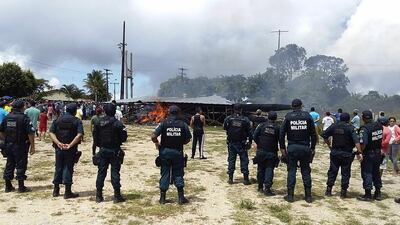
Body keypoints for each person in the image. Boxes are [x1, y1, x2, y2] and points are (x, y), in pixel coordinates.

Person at [151, 105, 192, 204]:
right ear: (178, 113)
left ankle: (162, 198)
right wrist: (181, 143)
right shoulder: (183, 125)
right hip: (177, 152)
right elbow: (188, 139)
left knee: (165, 173)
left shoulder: (163, 123)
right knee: (178, 173)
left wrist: (157, 143)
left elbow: (153, 136)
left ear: (169, 113)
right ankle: (181, 197)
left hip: (165, 152)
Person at [279, 99, 317, 203]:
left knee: (291, 171)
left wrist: (283, 149)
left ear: (292, 106)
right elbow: (314, 134)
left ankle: (290, 196)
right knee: (305, 171)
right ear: (301, 106)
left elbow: (281, 135)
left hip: (292, 148)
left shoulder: (288, 117)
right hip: (305, 148)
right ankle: (308, 196)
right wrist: (313, 148)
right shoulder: (307, 116)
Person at [321, 113, 362, 198]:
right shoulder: (351, 128)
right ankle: (343, 192)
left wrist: (329, 145)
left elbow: (324, 135)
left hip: (335, 152)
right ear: (348, 119)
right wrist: (359, 151)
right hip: (347, 154)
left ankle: (329, 189)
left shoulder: (334, 126)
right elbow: (356, 141)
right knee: (345, 172)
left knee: (332, 171)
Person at [93, 103, 127, 203]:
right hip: (114, 150)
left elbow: (95, 139)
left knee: (101, 173)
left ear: (104, 111)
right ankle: (117, 196)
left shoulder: (98, 122)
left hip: (103, 150)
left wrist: (96, 150)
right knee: (115, 173)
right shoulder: (118, 124)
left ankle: (98, 196)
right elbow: (124, 138)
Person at [49, 103, 84, 199]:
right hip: (71, 149)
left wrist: (58, 143)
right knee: (68, 168)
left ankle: (56, 190)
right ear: (75, 111)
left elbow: (51, 132)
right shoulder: (77, 121)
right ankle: (67, 192)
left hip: (58, 148)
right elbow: (79, 134)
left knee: (58, 167)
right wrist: (70, 145)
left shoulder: (58, 119)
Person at [0, 100, 35, 192]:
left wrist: (5, 139)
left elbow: (1, 130)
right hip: (21, 145)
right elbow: (30, 133)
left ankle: (8, 186)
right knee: (21, 164)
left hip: (9, 144)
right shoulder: (24, 118)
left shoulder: (7, 117)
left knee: (10, 163)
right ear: (21, 107)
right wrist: (32, 146)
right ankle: (21, 186)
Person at [356, 110, 383, 201]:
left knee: (367, 172)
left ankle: (368, 194)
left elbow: (363, 143)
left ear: (363, 118)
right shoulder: (379, 125)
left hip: (369, 153)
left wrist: (359, 151)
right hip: (378, 152)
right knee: (376, 172)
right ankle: (378, 193)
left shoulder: (364, 128)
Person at [253, 111, 280, 196]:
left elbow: (254, 136)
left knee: (260, 168)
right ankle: (267, 188)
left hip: (261, 151)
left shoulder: (261, 125)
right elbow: (281, 140)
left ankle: (260, 186)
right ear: (275, 118)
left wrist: (260, 143)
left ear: (268, 117)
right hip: (272, 152)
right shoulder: (278, 128)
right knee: (269, 169)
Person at [223, 104, 252, 185]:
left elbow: (225, 128)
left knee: (231, 159)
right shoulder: (245, 119)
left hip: (231, 143)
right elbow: (250, 132)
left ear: (233, 109)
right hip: (242, 143)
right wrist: (250, 141)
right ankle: (246, 179)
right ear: (241, 109)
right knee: (244, 160)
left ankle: (230, 178)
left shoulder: (228, 118)